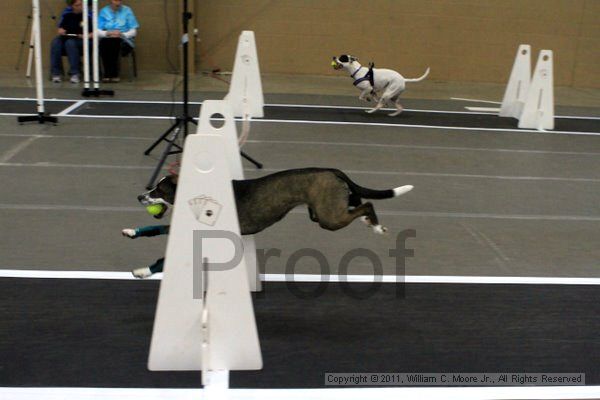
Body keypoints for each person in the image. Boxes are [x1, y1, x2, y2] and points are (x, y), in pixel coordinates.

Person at [50, 0, 92, 84]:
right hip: (68, 37)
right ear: (72, 6)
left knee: (70, 43)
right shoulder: (67, 16)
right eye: (77, 5)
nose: (80, 7)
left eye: (81, 5)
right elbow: (61, 28)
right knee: (55, 42)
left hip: (81, 40)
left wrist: (85, 35)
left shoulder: (87, 17)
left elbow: (92, 32)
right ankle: (56, 73)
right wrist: (61, 30)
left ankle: (75, 73)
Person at [97, 0, 139, 82]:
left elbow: (134, 31)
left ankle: (112, 74)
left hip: (124, 40)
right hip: (107, 38)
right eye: (115, 1)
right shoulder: (103, 11)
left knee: (114, 42)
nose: (118, 3)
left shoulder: (127, 10)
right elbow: (98, 31)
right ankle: (108, 73)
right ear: (110, 1)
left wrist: (121, 34)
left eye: (119, 0)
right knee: (104, 43)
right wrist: (108, 33)